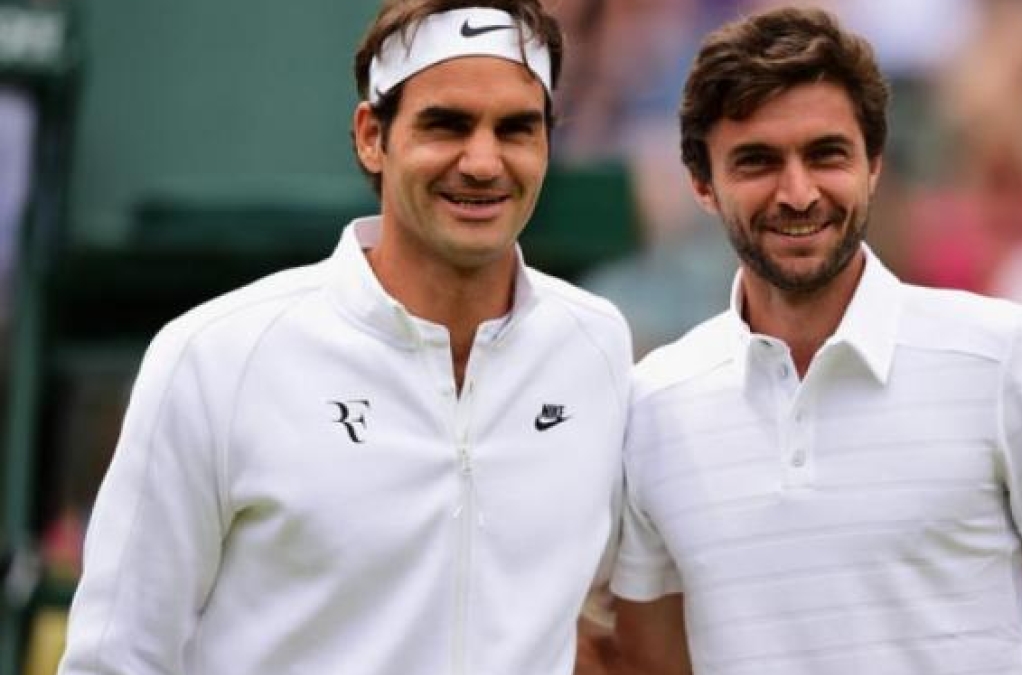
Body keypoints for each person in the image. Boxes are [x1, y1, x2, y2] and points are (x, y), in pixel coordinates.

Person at [55, 2, 631, 674]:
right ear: (370, 137)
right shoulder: (213, 356)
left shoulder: (597, 346)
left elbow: (600, 624)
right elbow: (115, 658)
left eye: (516, 129)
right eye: (446, 125)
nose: (482, 161)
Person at [610, 7, 1022, 675]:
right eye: (757, 161)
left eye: (826, 154)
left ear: (874, 165)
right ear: (702, 183)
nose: (797, 192)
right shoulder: (653, 401)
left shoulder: (1004, 353)